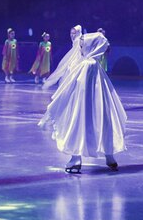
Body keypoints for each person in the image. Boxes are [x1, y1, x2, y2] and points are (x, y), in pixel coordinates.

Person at [38, 31, 127, 174]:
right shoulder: (95, 64)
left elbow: (73, 84)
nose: (79, 48)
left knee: (78, 126)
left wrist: (59, 99)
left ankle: (76, 159)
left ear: (91, 46)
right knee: (103, 125)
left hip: (83, 104)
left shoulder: (86, 64)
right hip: (98, 105)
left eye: (82, 45)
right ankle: (109, 157)